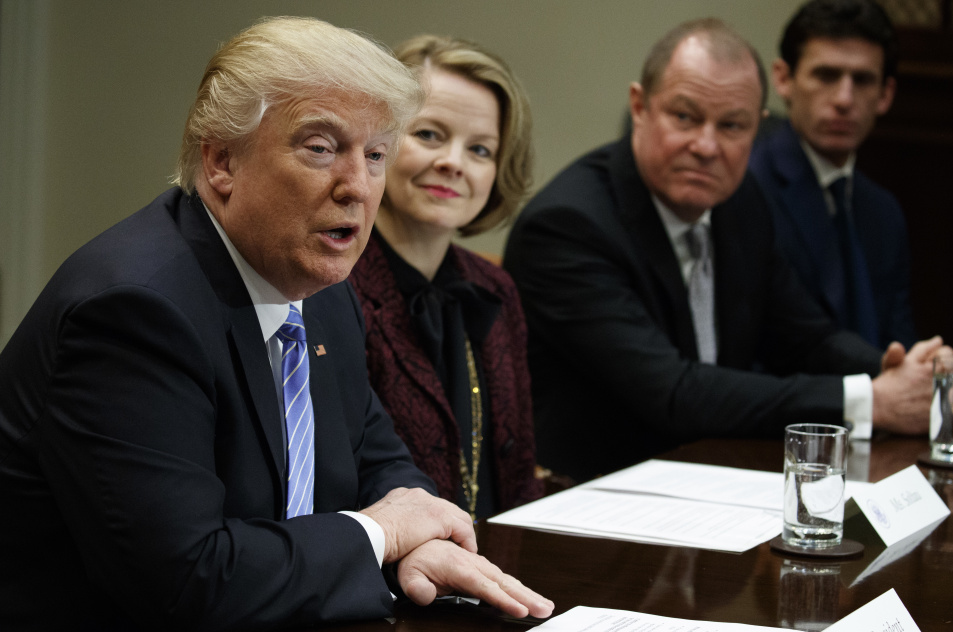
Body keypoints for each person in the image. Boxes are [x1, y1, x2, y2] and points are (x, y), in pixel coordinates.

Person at [0, 17, 552, 630]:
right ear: (221, 161)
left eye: (374, 155)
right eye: (321, 148)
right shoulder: (135, 312)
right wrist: (381, 534)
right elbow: (190, 580)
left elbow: (377, 459)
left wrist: (418, 535)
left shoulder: (316, 286)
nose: (357, 187)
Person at [503, 18, 944, 482]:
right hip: (590, 499)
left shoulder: (740, 202)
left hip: (715, 480)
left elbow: (805, 335)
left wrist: (896, 370)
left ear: (758, 127)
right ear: (639, 106)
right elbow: (673, 393)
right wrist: (870, 401)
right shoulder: (568, 226)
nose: (707, 146)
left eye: (732, 125)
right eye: (685, 117)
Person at [349, 35, 541, 520]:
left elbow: (518, 476)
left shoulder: (493, 289)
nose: (454, 162)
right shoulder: (330, 284)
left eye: (480, 149)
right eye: (430, 135)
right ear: (378, 143)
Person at [749, 0, 916, 349]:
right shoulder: (748, 188)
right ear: (784, 79)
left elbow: (897, 344)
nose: (843, 98)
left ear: (885, 95)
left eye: (863, 80)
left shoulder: (884, 212)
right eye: (826, 76)